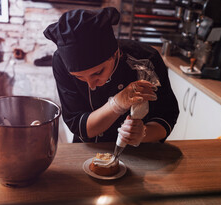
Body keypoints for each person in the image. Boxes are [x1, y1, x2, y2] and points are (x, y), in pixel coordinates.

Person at [44, 7, 179, 146]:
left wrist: (142, 133)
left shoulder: (146, 60)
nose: (91, 84)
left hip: (140, 151)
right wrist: (117, 104)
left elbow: (166, 116)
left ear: (116, 54)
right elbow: (77, 124)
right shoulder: (60, 62)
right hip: (87, 150)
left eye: (97, 73)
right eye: (80, 77)